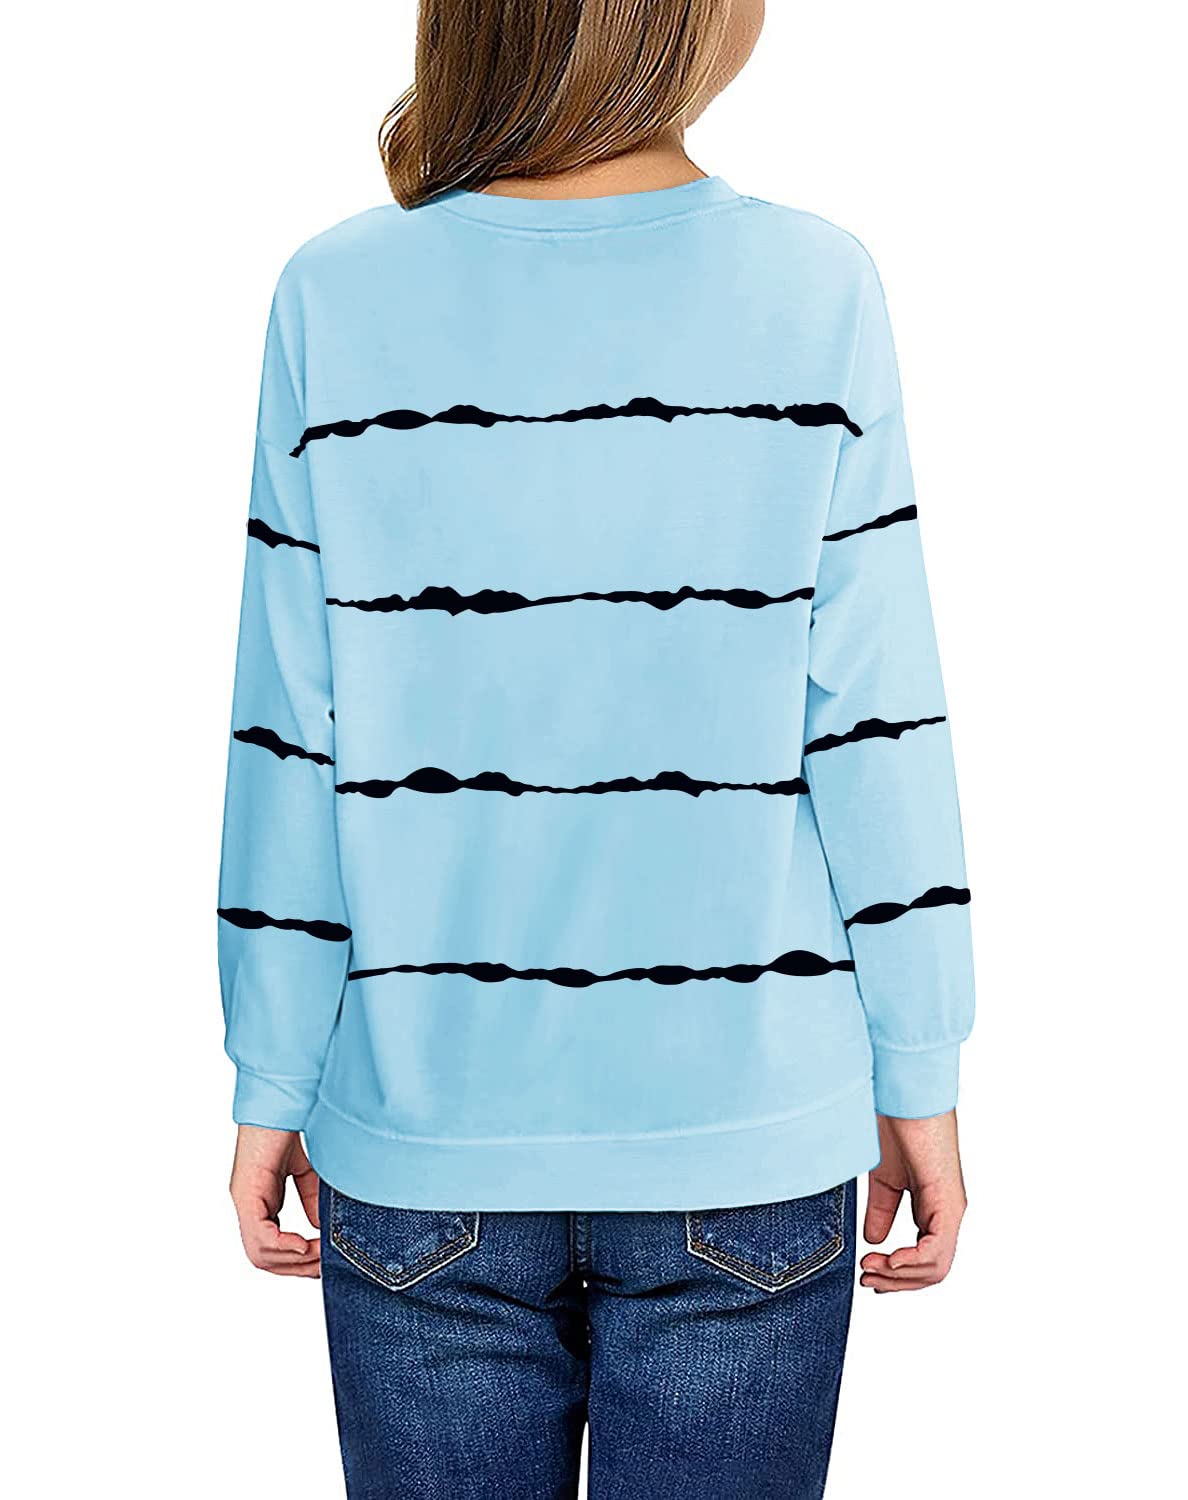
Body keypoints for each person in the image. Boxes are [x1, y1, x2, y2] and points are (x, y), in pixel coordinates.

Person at [219, 2, 974, 1495]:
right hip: (747, 1135)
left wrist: (271, 1071)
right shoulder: (815, 287)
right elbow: (877, 721)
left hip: (423, 1131)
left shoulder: (336, 292)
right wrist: (920, 1065)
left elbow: (291, 729)